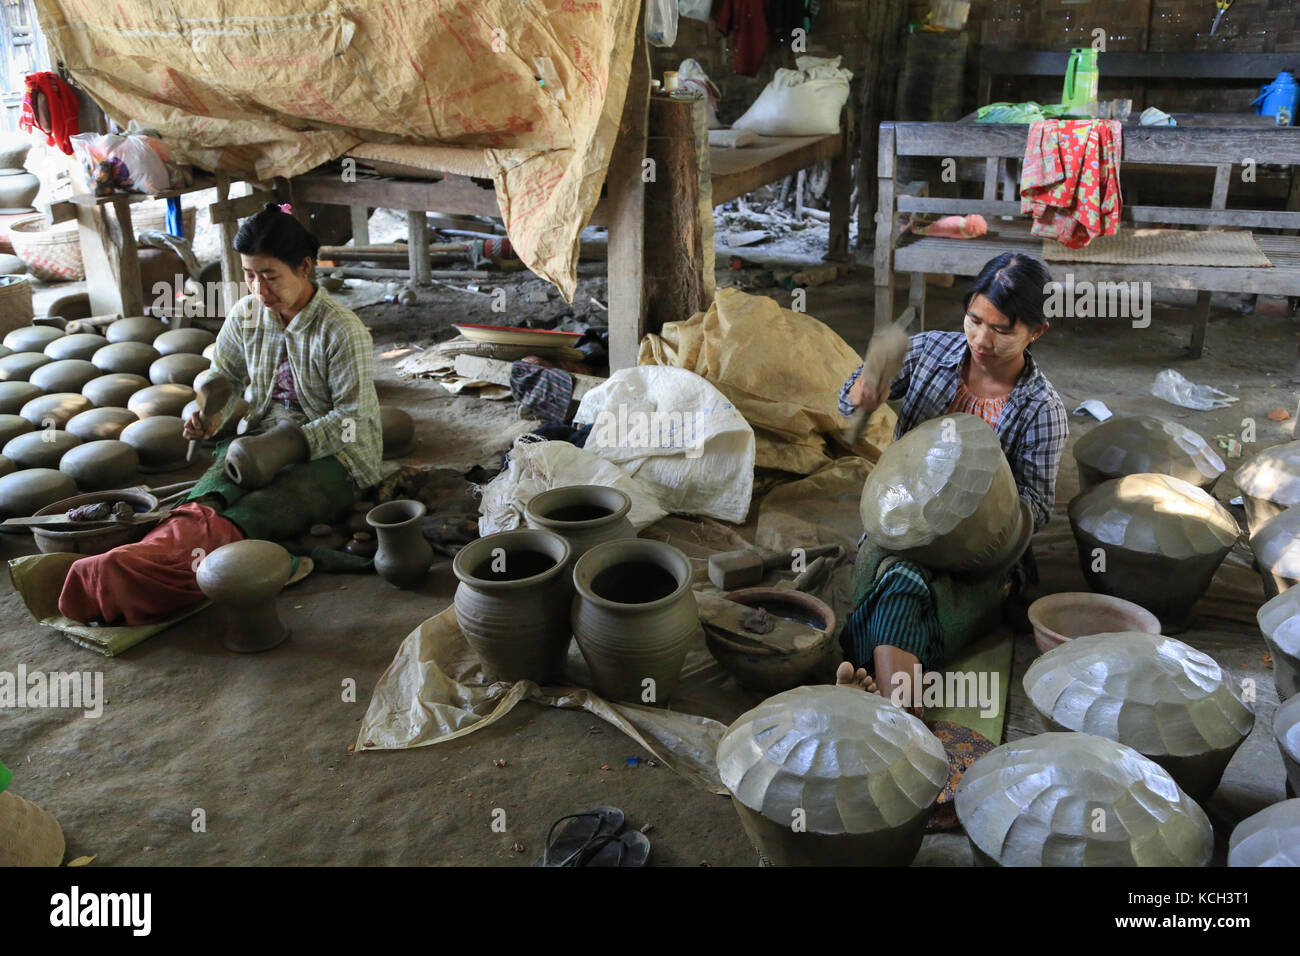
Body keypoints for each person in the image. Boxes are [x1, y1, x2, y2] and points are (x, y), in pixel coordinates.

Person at [58, 204, 383, 627]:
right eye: (249, 274)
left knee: (259, 510)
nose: (258, 289)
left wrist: (283, 445)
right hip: (257, 442)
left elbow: (352, 418)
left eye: (269, 275)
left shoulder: (342, 330)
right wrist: (209, 413)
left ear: (304, 267)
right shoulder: (247, 314)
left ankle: (183, 570)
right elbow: (223, 375)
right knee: (207, 497)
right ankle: (146, 555)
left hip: (339, 457)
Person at [834, 252, 1069, 712]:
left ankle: (891, 704)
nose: (981, 338)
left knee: (903, 584)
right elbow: (849, 401)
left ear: (1036, 331)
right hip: (902, 527)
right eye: (974, 319)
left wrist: (976, 513)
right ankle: (901, 699)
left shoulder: (1043, 409)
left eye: (1001, 329)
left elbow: (1037, 507)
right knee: (893, 571)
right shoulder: (930, 351)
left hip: (980, 557)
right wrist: (863, 390)